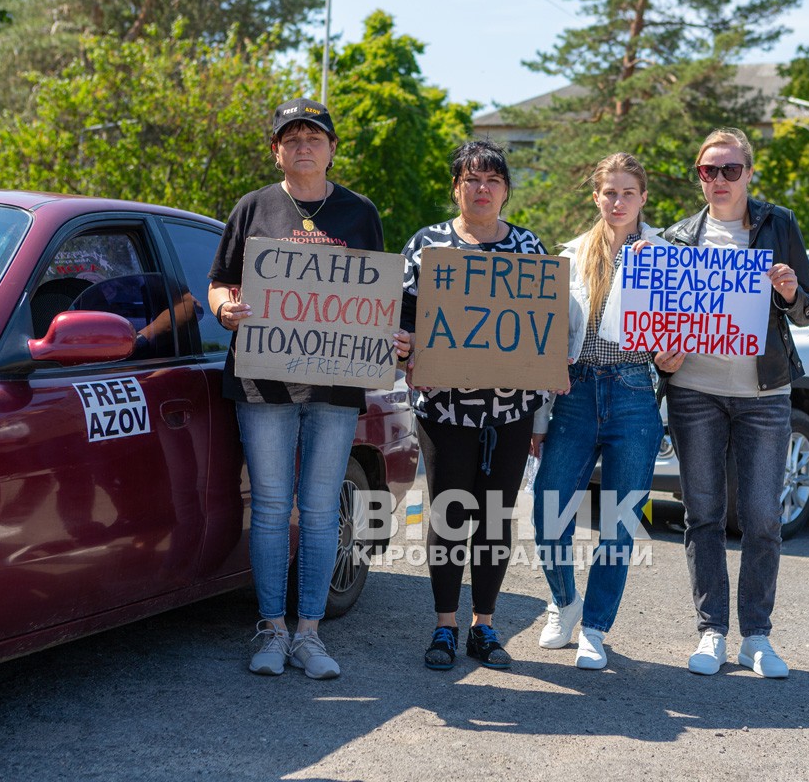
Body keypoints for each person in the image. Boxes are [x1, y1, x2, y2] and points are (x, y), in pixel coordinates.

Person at [208, 97, 411, 678]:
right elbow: (219, 284)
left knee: (321, 511)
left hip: (337, 383)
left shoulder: (359, 213)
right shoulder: (253, 209)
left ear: (331, 149)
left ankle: (310, 635)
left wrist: (391, 335)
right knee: (272, 508)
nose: (303, 146)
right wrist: (227, 310)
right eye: (291, 137)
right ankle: (271, 630)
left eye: (313, 137)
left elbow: (379, 294)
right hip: (263, 381)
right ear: (276, 151)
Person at [654, 127, 809, 679]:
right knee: (702, 515)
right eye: (708, 170)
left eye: (730, 169)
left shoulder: (780, 225)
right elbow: (661, 324)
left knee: (761, 518)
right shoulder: (678, 238)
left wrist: (792, 291)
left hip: (764, 393)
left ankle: (757, 637)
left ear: (749, 173)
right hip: (694, 392)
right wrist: (664, 358)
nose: (719, 179)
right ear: (699, 177)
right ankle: (711, 632)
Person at [400, 139, 558, 671]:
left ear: (506, 190)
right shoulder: (426, 247)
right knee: (449, 515)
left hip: (511, 412)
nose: (481, 189)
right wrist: (405, 345)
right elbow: (401, 323)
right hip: (445, 410)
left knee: (495, 517)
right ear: (456, 188)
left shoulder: (531, 249)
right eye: (471, 180)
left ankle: (484, 626)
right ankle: (444, 626)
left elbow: (545, 329)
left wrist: (545, 388)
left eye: (491, 180)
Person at [530, 153, 665, 670]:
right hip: (575, 393)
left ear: (643, 197)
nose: (618, 201)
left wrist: (672, 354)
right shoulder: (570, 255)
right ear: (596, 196)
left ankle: (596, 628)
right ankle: (565, 602)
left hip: (634, 393)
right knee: (548, 509)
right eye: (609, 192)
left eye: (628, 192)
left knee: (619, 522)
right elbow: (546, 341)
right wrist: (540, 419)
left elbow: (677, 334)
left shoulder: (666, 257)